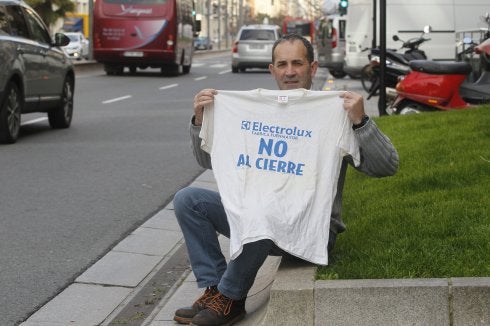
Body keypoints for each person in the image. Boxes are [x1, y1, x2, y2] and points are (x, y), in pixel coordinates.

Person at [172, 34, 399, 326]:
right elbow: (208, 162)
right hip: (261, 216)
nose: (289, 71)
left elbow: (387, 166)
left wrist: (361, 122)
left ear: (313, 68)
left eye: (297, 63)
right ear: (272, 70)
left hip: (312, 227)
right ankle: (215, 288)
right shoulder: (251, 109)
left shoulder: (333, 111)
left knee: (267, 209)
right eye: (282, 64)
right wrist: (200, 121)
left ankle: (231, 298)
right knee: (188, 200)